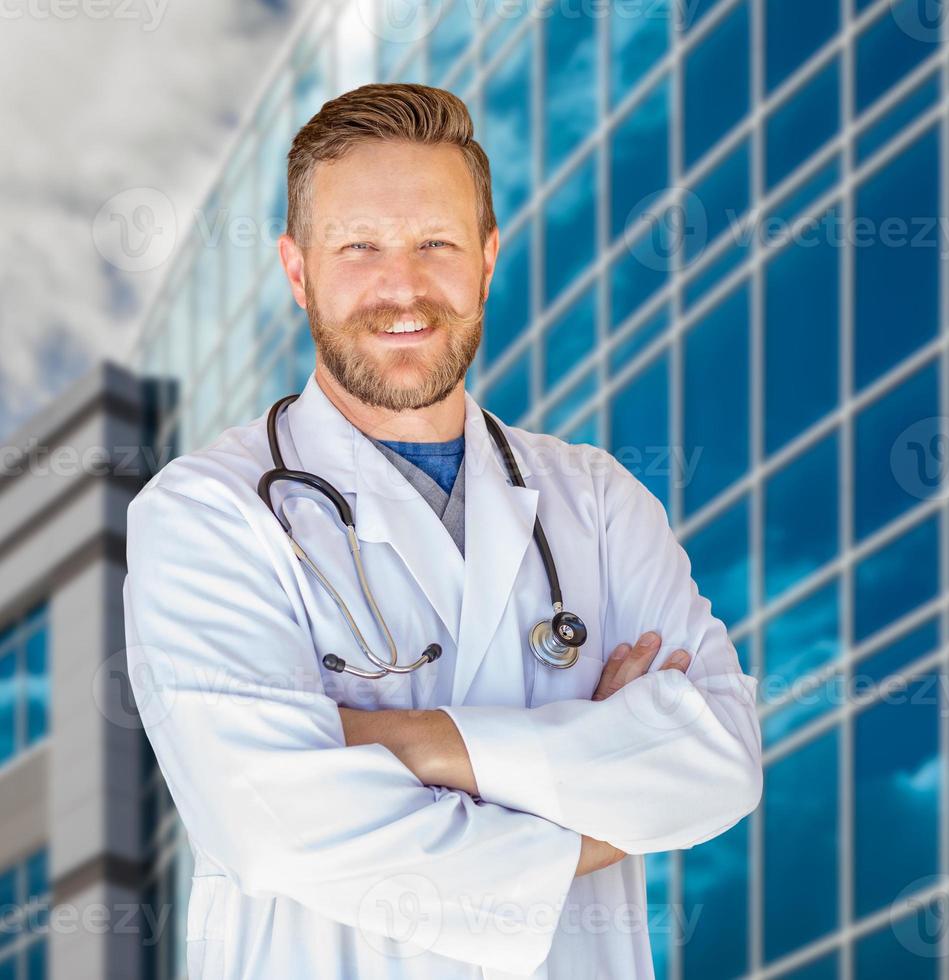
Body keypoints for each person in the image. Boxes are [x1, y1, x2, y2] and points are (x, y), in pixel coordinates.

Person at [121, 82, 762, 979]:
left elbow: (719, 760)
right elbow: (271, 824)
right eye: (359, 247)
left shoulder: (598, 501)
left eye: (437, 243)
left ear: (488, 257)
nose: (403, 287)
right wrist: (604, 805)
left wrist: (413, 743)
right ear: (296, 268)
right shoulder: (206, 515)